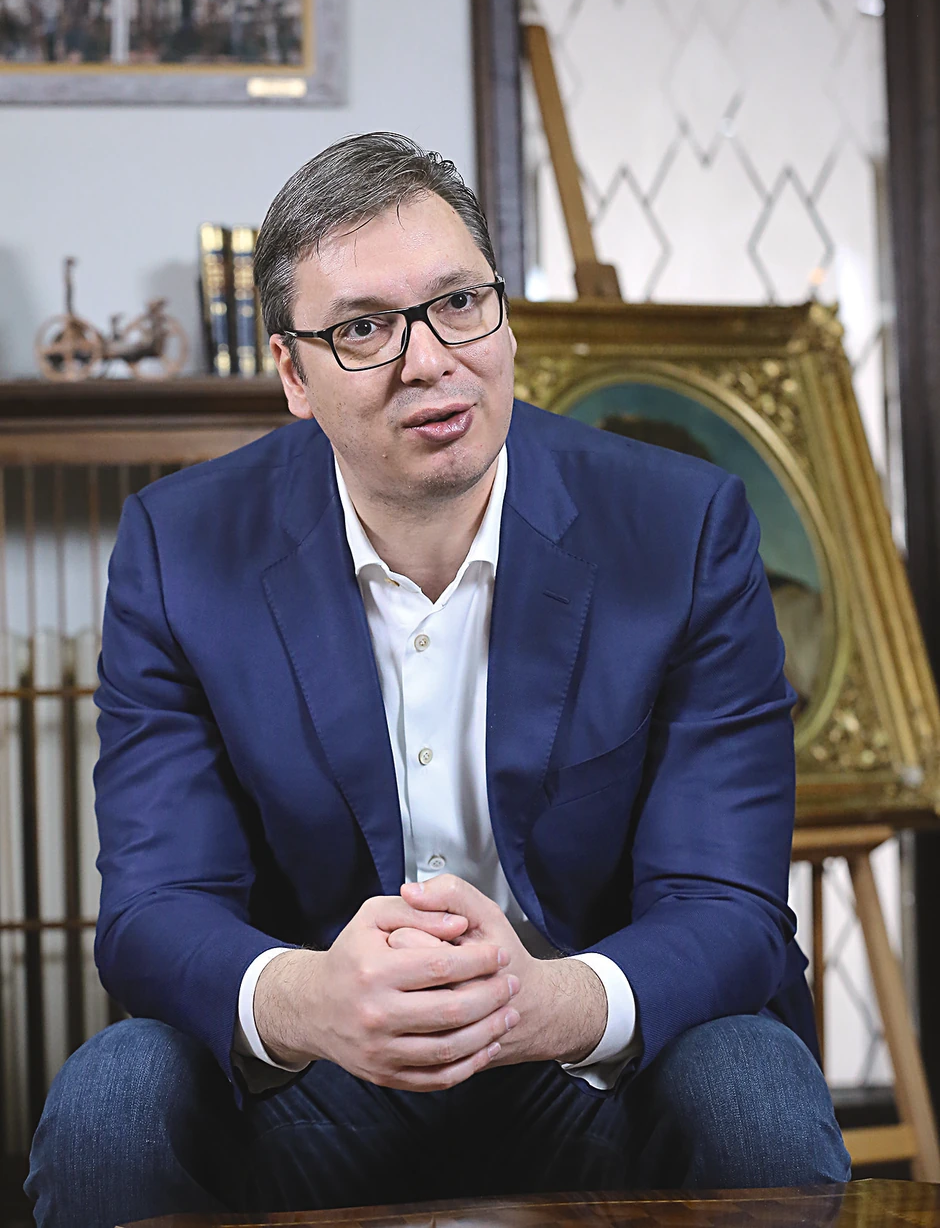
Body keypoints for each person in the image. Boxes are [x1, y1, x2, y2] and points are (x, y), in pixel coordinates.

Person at [27, 133, 849, 1226]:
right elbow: (154, 908)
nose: (428, 361)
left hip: (590, 1066)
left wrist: (545, 1001)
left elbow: (728, 905)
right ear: (292, 374)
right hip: (318, 1086)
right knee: (114, 1095)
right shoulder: (182, 548)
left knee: (750, 1076)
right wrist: (314, 999)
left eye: (459, 303)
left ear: (502, 315)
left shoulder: (682, 527)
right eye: (363, 328)